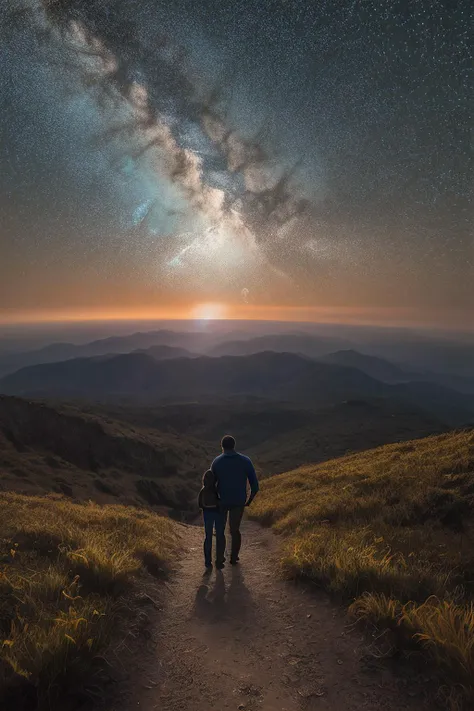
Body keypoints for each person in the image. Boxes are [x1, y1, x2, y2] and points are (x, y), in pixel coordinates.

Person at [211, 435, 259, 566]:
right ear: (234, 445)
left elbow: (211, 484)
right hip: (238, 500)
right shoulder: (245, 461)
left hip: (221, 500)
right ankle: (234, 557)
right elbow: (255, 485)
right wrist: (249, 500)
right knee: (234, 530)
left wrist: (212, 499)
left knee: (220, 530)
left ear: (222, 446)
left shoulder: (217, 461)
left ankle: (220, 558)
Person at [197, 469, 226, 571]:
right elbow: (221, 503)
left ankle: (208, 562)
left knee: (208, 537)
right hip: (217, 513)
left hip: (207, 514)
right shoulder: (217, 490)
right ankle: (219, 560)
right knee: (220, 536)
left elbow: (200, 505)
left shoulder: (203, 491)